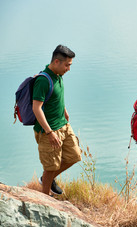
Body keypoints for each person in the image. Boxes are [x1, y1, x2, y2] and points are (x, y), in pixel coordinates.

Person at [32, 45, 81, 195]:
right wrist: (49, 132)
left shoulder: (58, 76)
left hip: (63, 125)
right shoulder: (43, 81)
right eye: (67, 65)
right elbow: (36, 108)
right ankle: (45, 201)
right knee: (50, 167)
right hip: (50, 131)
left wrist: (64, 110)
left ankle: (46, 179)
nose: (69, 69)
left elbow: (56, 97)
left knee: (75, 155)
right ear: (56, 62)